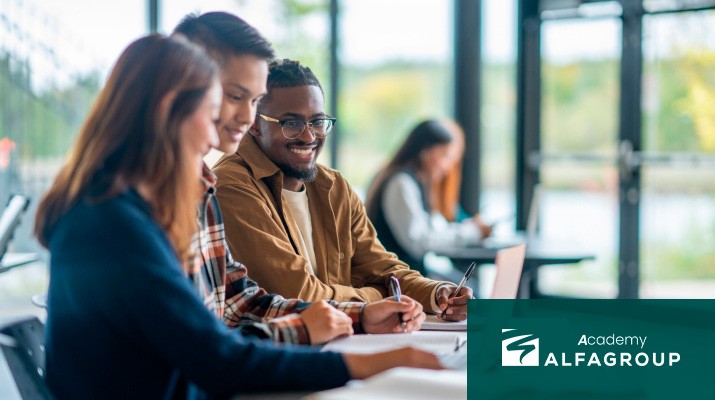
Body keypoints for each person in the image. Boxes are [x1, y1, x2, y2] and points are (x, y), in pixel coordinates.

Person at [34, 35, 442, 400]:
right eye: (217, 110)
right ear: (169, 111)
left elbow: (237, 302)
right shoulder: (111, 224)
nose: (220, 134)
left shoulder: (163, 200)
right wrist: (370, 361)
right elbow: (216, 357)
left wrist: (358, 316)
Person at [173, 12, 424, 345]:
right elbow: (207, 350)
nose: (246, 116)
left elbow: (242, 303)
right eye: (234, 96)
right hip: (230, 381)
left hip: (287, 356)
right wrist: (369, 308)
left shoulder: (199, 189)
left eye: (251, 100)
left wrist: (362, 314)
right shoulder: (198, 191)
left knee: (498, 375)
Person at [213, 59, 472, 321]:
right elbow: (300, 296)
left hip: (344, 338)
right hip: (281, 349)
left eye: (317, 122)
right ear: (255, 124)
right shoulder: (232, 186)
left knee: (476, 355)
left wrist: (437, 293)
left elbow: (383, 268)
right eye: (291, 123)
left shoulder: (333, 187)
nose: (308, 136)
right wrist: (378, 296)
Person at [365, 119, 492, 276]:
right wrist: (471, 232)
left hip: (408, 276)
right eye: (444, 156)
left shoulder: (418, 183)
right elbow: (418, 241)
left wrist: (469, 228)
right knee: (470, 294)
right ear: (425, 152)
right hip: (396, 281)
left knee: (467, 290)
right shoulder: (401, 183)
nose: (447, 167)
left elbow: (434, 228)